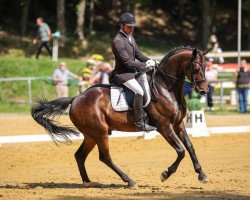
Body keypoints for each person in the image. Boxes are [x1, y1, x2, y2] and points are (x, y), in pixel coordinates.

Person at [111, 12, 157, 132]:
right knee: (139, 91)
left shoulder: (130, 37)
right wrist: (144, 65)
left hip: (132, 71)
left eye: (132, 27)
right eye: (129, 27)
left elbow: (138, 54)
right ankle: (139, 122)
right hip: (123, 74)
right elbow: (128, 62)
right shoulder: (118, 41)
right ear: (122, 26)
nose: (131, 29)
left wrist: (151, 61)